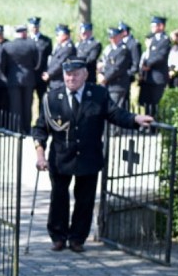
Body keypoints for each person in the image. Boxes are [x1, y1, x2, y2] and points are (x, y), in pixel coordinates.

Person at [32, 59, 153, 253]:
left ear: (85, 75)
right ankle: (58, 236)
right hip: (61, 158)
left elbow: (115, 114)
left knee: (85, 200)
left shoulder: (98, 94)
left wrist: (135, 119)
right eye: (68, 74)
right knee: (59, 198)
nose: (71, 78)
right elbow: (40, 129)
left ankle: (77, 238)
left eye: (76, 74)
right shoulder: (52, 98)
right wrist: (40, 156)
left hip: (88, 156)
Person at [2, 25, 39, 133]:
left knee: (15, 105)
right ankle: (26, 128)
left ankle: (16, 128)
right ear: (25, 33)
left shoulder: (8, 46)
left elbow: (2, 64)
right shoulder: (32, 44)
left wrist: (8, 74)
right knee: (27, 105)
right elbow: (37, 61)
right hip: (28, 77)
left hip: (13, 78)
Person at [140, 16, 171, 118]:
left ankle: (155, 124)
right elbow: (148, 54)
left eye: (154, 25)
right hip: (148, 76)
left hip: (158, 76)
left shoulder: (164, 40)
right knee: (147, 102)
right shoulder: (152, 39)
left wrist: (148, 64)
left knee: (156, 102)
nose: (152, 28)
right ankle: (148, 122)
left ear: (161, 26)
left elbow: (160, 56)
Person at [99, 27, 133, 110]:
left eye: (114, 37)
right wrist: (101, 73)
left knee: (114, 110)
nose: (112, 39)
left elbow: (117, 68)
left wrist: (105, 78)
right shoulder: (111, 49)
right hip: (109, 85)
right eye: (111, 37)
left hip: (117, 85)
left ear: (119, 36)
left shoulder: (123, 50)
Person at [43, 24, 76, 92]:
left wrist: (49, 74)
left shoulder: (68, 48)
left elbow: (60, 64)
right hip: (55, 81)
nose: (56, 37)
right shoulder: (60, 46)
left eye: (58, 35)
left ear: (65, 35)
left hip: (61, 81)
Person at [29, 17, 52, 104]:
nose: (34, 28)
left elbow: (49, 58)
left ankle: (42, 117)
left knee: (42, 100)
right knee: (28, 101)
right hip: (29, 75)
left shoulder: (46, 40)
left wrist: (47, 72)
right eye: (33, 26)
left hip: (41, 75)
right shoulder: (26, 40)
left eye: (36, 26)